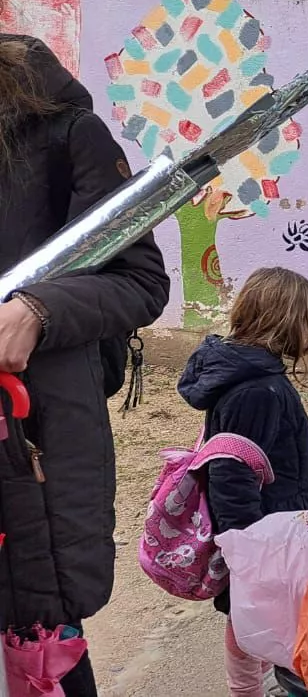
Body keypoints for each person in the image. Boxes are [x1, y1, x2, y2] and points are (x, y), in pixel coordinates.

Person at [0, 35, 169, 696]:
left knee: (41, 633)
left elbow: (141, 279)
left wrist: (39, 309)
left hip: (33, 438)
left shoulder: (65, 132)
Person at [179, 267, 308, 697]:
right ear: (292, 323)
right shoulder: (257, 391)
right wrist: (245, 546)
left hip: (273, 523)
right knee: (248, 617)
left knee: (267, 613)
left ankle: (262, 680)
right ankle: (248, 690)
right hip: (262, 531)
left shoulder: (254, 378)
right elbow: (231, 471)